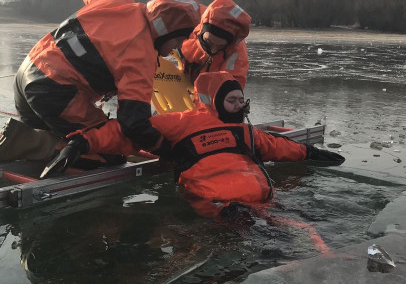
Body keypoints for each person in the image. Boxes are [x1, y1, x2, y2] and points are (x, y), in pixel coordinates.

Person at [0, 0, 200, 175]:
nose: (178, 47)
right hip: (56, 90)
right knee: (108, 153)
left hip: (29, 72)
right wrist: (169, 149)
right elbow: (133, 124)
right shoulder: (139, 53)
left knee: (53, 136)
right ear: (168, 29)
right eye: (181, 38)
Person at [43, 71, 345, 215]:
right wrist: (83, 142)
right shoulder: (180, 123)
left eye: (242, 99)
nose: (240, 106)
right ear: (213, 101)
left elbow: (280, 147)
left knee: (304, 233)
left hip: (263, 202)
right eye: (232, 100)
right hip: (216, 208)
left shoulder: (248, 132)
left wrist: (311, 152)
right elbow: (127, 132)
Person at [179, 0, 251, 88]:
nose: (213, 50)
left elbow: (231, 89)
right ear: (201, 30)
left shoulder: (237, 54)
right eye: (208, 41)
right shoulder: (188, 20)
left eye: (220, 46)